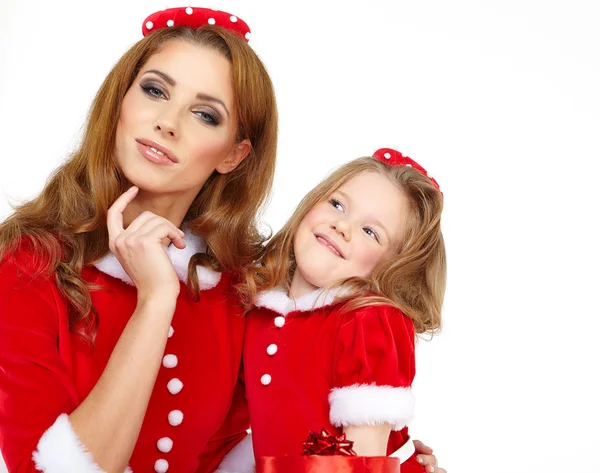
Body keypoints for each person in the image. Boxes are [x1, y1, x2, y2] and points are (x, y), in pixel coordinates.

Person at [0, 6, 445, 472]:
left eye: (205, 115)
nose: (167, 122)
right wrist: (155, 300)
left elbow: (310, 413)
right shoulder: (32, 262)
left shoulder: (245, 285)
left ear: (233, 154)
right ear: (119, 102)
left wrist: (394, 459)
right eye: (154, 90)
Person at [234, 149, 445, 472]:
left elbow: (364, 461)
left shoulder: (368, 321)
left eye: (370, 232)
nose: (342, 226)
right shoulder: (259, 308)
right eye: (337, 204)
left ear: (391, 268)